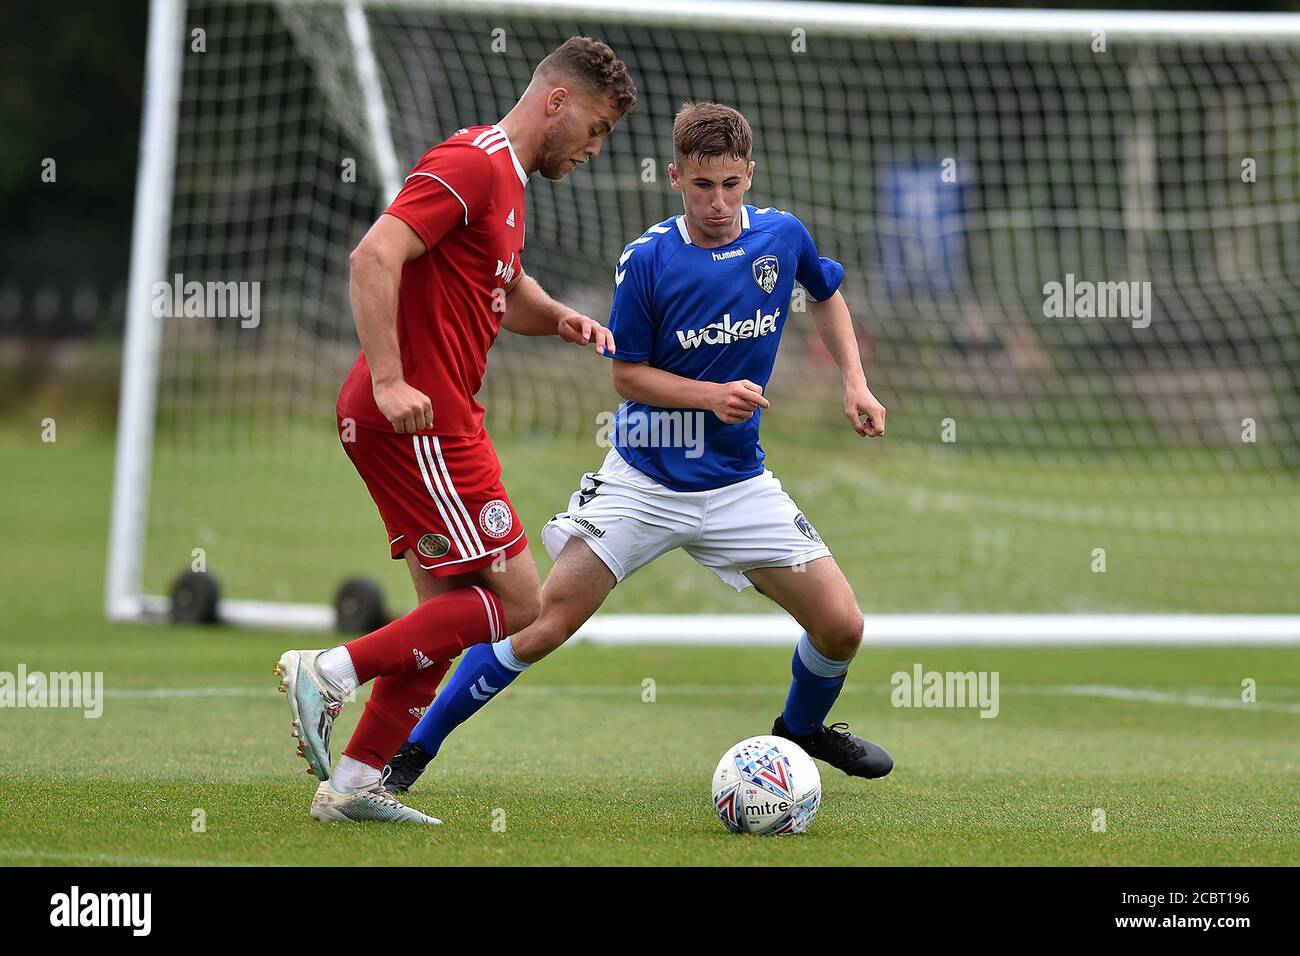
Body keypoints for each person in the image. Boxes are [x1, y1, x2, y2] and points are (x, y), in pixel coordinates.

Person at [384, 100, 893, 802]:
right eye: (702, 186)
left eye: (731, 186)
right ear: (675, 177)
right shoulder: (649, 260)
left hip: (738, 484)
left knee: (842, 627)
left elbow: (826, 293)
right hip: (645, 478)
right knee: (539, 624)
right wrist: (710, 397)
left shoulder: (782, 237)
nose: (718, 202)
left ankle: (799, 729)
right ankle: (407, 752)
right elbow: (626, 375)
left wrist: (854, 384)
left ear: (750, 174)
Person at [274, 37, 636, 823]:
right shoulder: (474, 162)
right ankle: (332, 668)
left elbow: (502, 290)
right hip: (421, 419)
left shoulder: (507, 183)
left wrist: (562, 318)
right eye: (597, 128)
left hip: (424, 419)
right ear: (557, 102)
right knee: (518, 603)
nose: (596, 148)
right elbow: (374, 255)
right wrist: (390, 377)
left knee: (444, 610)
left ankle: (356, 785)